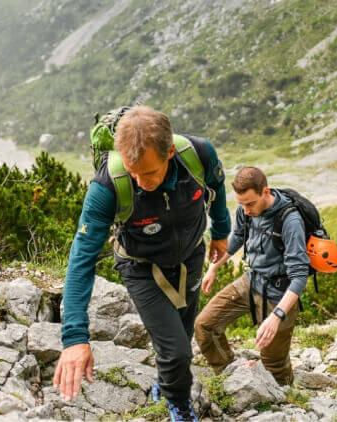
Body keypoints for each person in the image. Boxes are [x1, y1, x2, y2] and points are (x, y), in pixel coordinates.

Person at [54, 106, 230, 421]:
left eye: (149, 173)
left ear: (170, 151)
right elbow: (82, 257)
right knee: (178, 352)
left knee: (183, 334)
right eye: (134, 173)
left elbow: (216, 188)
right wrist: (74, 338)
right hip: (140, 266)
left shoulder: (198, 154)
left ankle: (166, 382)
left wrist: (221, 232)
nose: (141, 181)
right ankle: (178, 404)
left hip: (190, 255)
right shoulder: (109, 185)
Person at [194, 166, 314, 386]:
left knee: (273, 365)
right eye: (241, 204)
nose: (246, 210)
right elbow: (238, 237)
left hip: (280, 293)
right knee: (204, 326)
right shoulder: (245, 210)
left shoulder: (290, 220)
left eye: (250, 203)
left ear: (265, 192)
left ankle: (286, 400)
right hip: (251, 280)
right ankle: (230, 377)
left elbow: (299, 275)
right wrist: (214, 267)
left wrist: (276, 317)